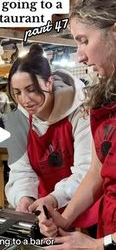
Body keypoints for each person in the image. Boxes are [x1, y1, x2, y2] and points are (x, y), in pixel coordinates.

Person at [38, 0, 116, 250]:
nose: (79, 55)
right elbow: (98, 170)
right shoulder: (107, 94)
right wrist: (64, 217)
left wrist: (100, 247)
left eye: (84, 40)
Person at [5, 44, 92, 216]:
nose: (25, 100)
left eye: (31, 90)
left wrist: (55, 198)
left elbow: (86, 171)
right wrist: (24, 198)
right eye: (17, 93)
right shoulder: (19, 121)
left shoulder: (81, 111)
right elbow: (21, 171)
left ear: (49, 82)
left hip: (84, 204)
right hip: (44, 209)